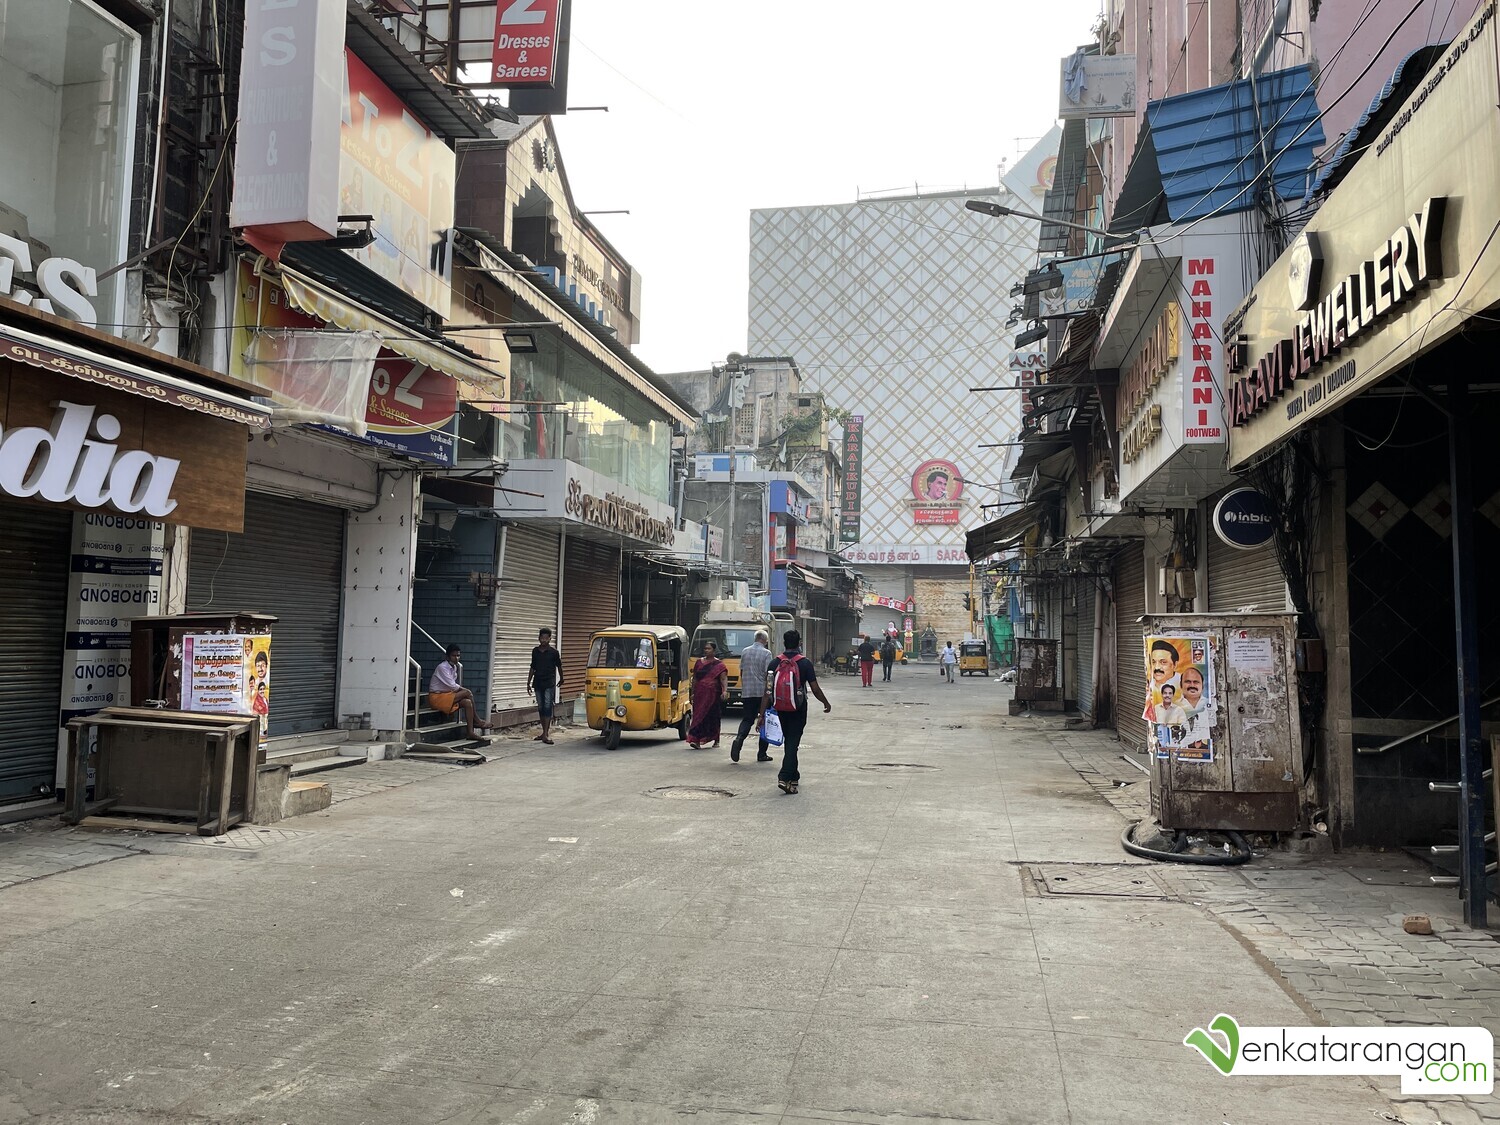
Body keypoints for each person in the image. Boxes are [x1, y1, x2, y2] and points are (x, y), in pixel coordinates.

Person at [759, 629, 831, 795]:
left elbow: (767, 691)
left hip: (780, 709)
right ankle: (784, 777)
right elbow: (815, 688)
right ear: (799, 643)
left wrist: (761, 714)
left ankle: (794, 775)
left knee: (791, 742)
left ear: (784, 643)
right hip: (798, 709)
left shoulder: (774, 663)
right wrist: (825, 703)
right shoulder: (804, 663)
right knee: (792, 741)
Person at [429, 645, 491, 740]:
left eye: (458, 655)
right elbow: (453, 686)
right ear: (448, 657)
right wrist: (465, 691)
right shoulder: (442, 667)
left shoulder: (454, 667)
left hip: (447, 696)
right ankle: (477, 720)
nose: (457, 658)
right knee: (467, 693)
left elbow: (452, 688)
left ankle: (470, 732)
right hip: (437, 698)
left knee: (467, 703)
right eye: (454, 656)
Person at [731, 631, 773, 763]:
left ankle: (739, 738)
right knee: (764, 721)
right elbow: (768, 675)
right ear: (764, 640)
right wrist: (770, 691)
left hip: (748, 692)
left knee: (747, 719)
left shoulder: (745, 651)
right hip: (762, 693)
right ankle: (762, 753)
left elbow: (742, 671)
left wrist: (745, 686)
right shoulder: (767, 653)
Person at [687, 640, 728, 749]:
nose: (706, 650)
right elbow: (695, 678)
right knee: (698, 716)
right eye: (705, 648)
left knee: (713, 716)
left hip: (713, 694)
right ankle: (696, 740)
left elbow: (723, 678)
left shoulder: (719, 665)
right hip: (700, 694)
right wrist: (692, 693)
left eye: (709, 648)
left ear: (714, 651)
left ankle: (716, 739)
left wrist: (724, 690)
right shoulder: (699, 662)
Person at [526, 628, 563, 745]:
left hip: (549, 682)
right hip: (538, 682)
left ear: (550, 639)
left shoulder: (554, 652)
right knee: (541, 707)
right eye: (542, 638)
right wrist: (528, 682)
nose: (544, 640)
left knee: (547, 706)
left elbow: (559, 666)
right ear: (539, 638)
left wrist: (562, 678)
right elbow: (533, 667)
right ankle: (543, 732)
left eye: (546, 638)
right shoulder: (535, 651)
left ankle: (546, 734)